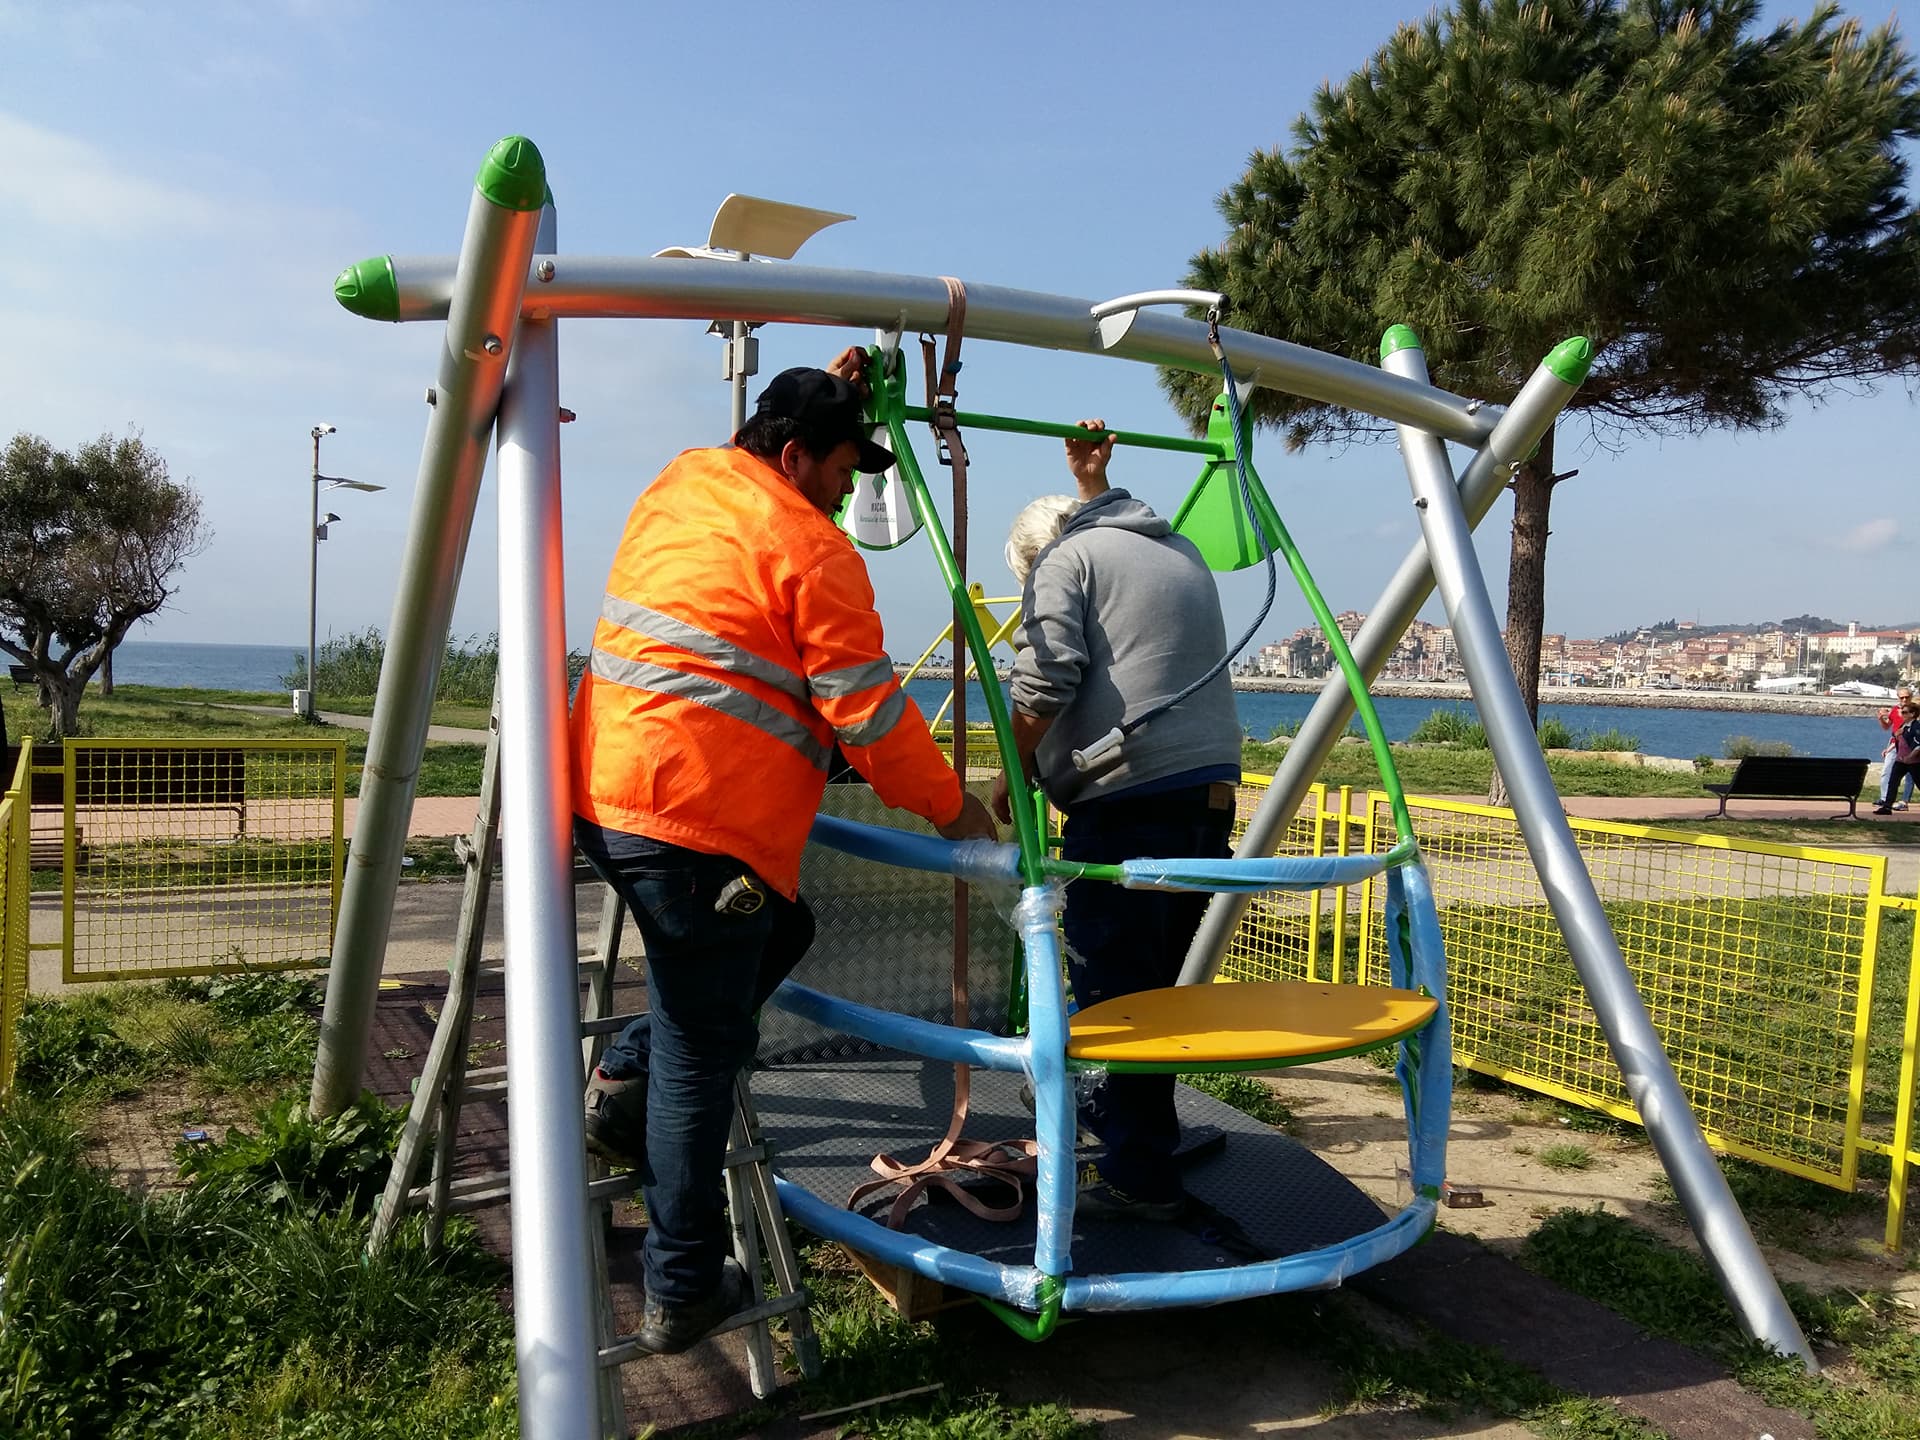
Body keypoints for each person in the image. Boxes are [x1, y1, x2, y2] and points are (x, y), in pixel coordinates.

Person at [570, 350, 998, 1353]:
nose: (849, 493)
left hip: (606, 794)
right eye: (845, 469)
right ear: (798, 455)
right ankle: (681, 1284)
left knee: (783, 929)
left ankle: (625, 1078)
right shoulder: (813, 549)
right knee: (701, 1051)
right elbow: (870, 716)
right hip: (696, 828)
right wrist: (955, 814)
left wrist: (831, 388)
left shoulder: (685, 483)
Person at [991, 419, 1243, 1222]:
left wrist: (1011, 775)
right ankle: (1140, 1137)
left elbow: (1046, 678)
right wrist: (1093, 482)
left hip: (1129, 806)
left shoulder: (1063, 563)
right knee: (1155, 994)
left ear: (1036, 560)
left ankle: (1135, 1172)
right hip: (1207, 800)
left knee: (1112, 995)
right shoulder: (1173, 550)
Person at [1874, 694, 1920, 816]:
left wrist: (1910, 757)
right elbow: (1898, 741)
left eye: (1904, 712)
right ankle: (1887, 806)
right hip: (1901, 760)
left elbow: (1918, 745)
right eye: (1902, 712)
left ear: (1912, 714)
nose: (1901, 714)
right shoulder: (1903, 725)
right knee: (1893, 782)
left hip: (1914, 762)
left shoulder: (1916, 727)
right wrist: (1889, 749)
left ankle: (1889, 805)